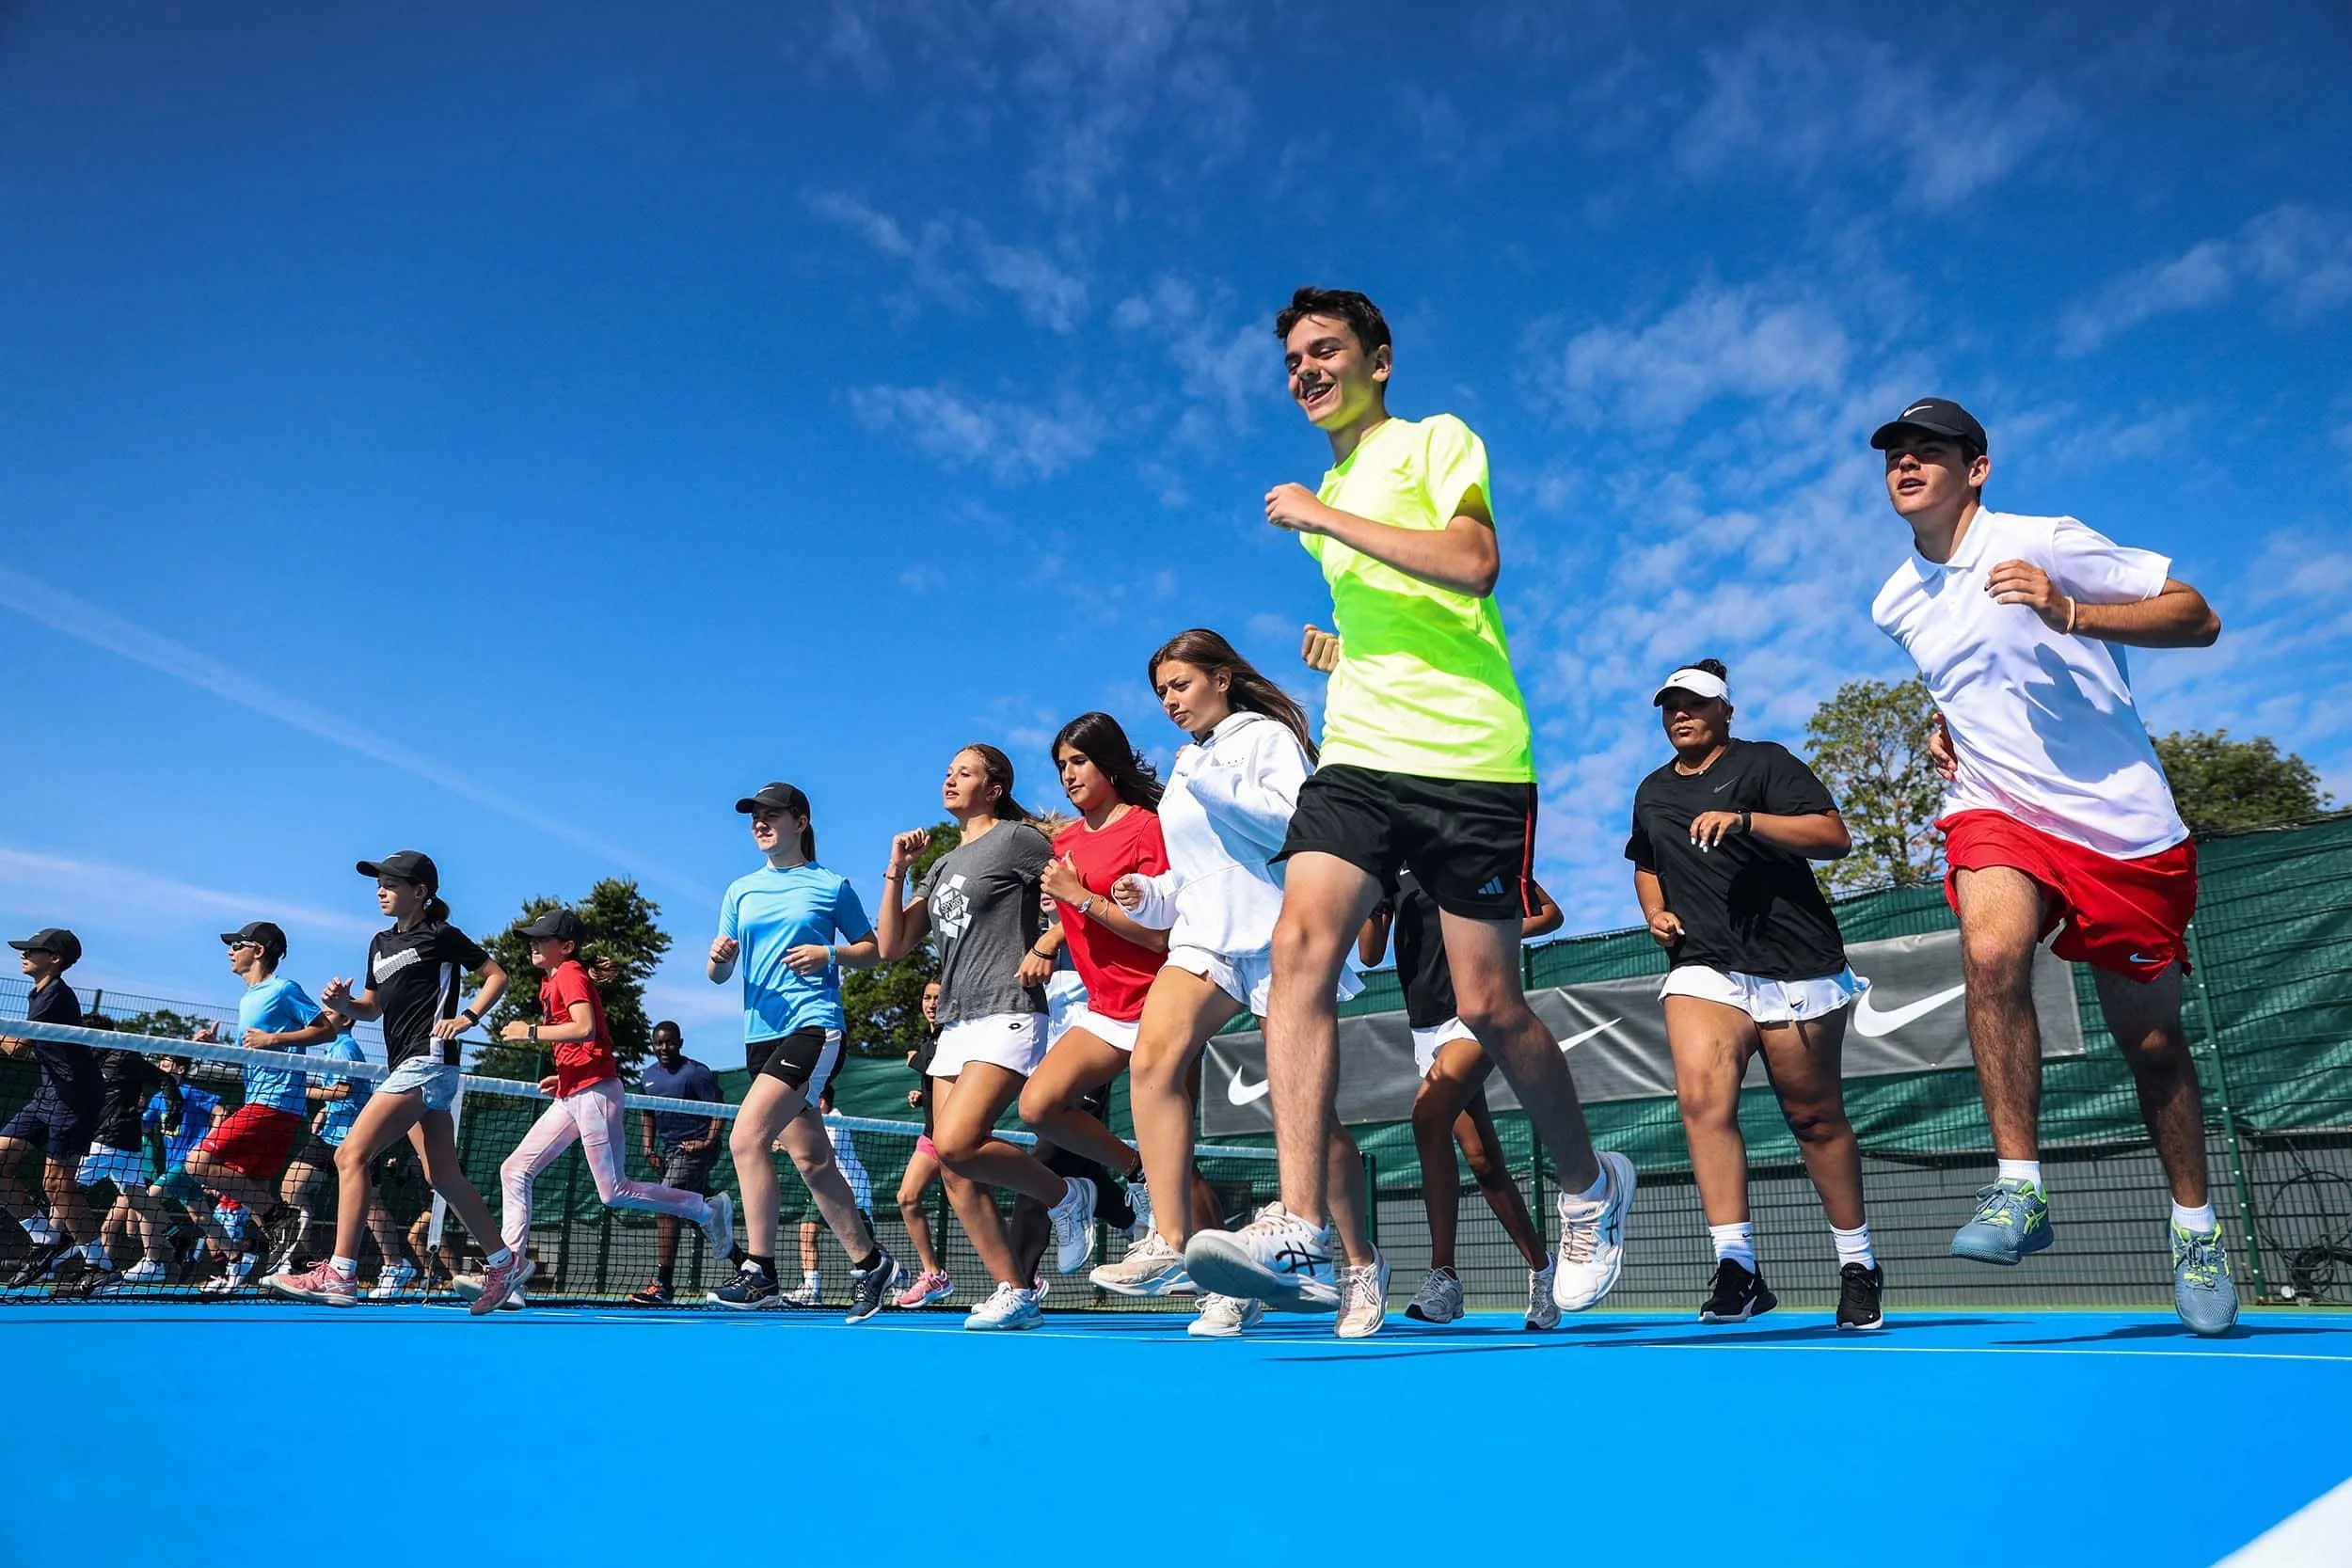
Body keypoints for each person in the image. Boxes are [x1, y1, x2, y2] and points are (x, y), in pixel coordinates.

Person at [1185, 287, 1636, 1338]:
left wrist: (1323, 513)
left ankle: (1586, 1183)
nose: (1304, 369)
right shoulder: (1328, 497)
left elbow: (1473, 567)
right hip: (1360, 755)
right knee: (1300, 940)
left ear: (1377, 360)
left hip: (1474, 759)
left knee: (1490, 1005)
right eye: (1291, 358)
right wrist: (1348, 657)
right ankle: (1299, 1218)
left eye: (1324, 350)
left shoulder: (1433, 442)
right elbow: (1400, 621)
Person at [1867, 397, 2235, 1335]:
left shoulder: (2044, 538)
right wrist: (1944, 721)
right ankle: (2017, 1186)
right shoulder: (1893, 601)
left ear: (1975, 467)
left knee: (2152, 1046)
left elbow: (2197, 616)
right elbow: (1966, 675)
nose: (1906, 465)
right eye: (1893, 456)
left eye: (1928, 452)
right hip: (1996, 808)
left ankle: (2194, 1224)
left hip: (2121, 825)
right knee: (1991, 953)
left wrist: (2069, 609)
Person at [1089, 628, 1368, 1339]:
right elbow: (1191, 867)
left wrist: (1209, 777)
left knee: (1305, 1116)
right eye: (1160, 693)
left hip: (1277, 930)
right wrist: (1148, 894)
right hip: (1206, 937)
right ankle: (1172, 1238)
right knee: (1151, 1062)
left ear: (1221, 678)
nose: (1170, 701)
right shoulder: (1190, 763)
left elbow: (1293, 822)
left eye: (1180, 684)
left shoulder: (1263, 736)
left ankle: (1359, 1261)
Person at [1629, 661, 1884, 1329]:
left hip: (1796, 964)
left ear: (1725, 710)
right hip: (1705, 967)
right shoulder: (1652, 792)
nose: (1680, 713)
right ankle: (1737, 1265)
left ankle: (1858, 1263)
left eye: (1695, 703)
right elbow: (1647, 864)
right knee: (1702, 1098)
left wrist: (1747, 820)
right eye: (1670, 705)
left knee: (1814, 1118)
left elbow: (1834, 836)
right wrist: (1655, 911)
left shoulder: (1766, 763)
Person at [874, 745, 1094, 1333]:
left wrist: (1048, 940)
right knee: (954, 1170)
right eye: (947, 771)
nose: (950, 779)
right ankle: (1015, 1291)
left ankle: (1067, 1196)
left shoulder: (1018, 840)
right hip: (957, 1020)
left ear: (994, 788)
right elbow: (893, 945)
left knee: (957, 1143)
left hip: (1009, 1009)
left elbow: (1077, 879)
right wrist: (896, 866)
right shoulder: (944, 864)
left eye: (964, 772)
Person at [264, 849, 528, 1313]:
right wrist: (345, 1005)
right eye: (378, 883)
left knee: (350, 1154)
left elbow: (496, 976)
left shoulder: (441, 935)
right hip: (409, 1065)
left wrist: (466, 1017)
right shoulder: (379, 944)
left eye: (392, 883)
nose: (381, 890)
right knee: (442, 1174)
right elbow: (371, 1007)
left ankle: (341, 1274)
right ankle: (504, 1263)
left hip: (428, 1060)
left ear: (420, 892)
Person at [703, 783, 898, 1322]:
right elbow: (718, 974)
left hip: (814, 1028)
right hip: (759, 1036)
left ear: (801, 820)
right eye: (754, 817)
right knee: (813, 1161)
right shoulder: (739, 890)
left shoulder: (831, 887)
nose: (759, 824)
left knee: (746, 1139)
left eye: (771, 815)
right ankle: (871, 1263)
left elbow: (873, 949)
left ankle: (760, 1270)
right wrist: (719, 958)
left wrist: (827, 952)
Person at [485, 910, 736, 1307]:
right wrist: (563, 1072)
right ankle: (513, 1267)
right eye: (531, 937)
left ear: (565, 947)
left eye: (542, 938)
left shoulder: (568, 972)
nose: (533, 943)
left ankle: (704, 1209)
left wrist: (529, 1032)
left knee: (613, 1192)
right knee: (515, 1169)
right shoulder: (551, 980)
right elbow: (581, 1040)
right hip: (573, 1091)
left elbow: (584, 1026)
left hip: (596, 1094)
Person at [1360, 872, 1565, 1329]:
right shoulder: (1389, 865)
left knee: (1427, 1115)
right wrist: (1371, 897)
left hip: (1478, 1012)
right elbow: (1369, 954)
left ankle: (1443, 1276)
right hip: (1425, 1027)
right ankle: (1543, 1270)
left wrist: (1488, 939)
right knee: (1482, 1159)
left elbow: (1550, 914)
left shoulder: (1472, 847)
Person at [1014, 713, 1175, 1243]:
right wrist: (1054, 927)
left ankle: (1220, 1279)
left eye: (1079, 761)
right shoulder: (1067, 842)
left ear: (1108, 762)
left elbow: (1156, 936)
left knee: (1173, 1151)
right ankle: (1136, 1173)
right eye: (1062, 765)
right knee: (1038, 1107)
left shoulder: (1147, 827)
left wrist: (1079, 897)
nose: (1068, 775)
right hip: (1105, 1010)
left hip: (1162, 1005)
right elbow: (1074, 912)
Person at [179, 923, 343, 1293]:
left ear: (258, 950)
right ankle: (297, 1260)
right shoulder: (247, 998)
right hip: (262, 1101)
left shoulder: (283, 989)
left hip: (276, 1103)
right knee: (252, 1186)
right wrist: (215, 1049)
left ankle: (278, 1219)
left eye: (236, 944)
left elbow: (325, 1031)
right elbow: (253, 1057)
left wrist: (275, 1038)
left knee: (198, 1164)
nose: (229, 951)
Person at [2, 927, 105, 1288]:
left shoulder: (55, 996)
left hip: (75, 1099)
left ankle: (99, 1263)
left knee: (57, 1185)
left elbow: (15, 1047)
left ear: (55, 960)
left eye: (33, 950)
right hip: (47, 1094)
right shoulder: (39, 994)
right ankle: (45, 1237)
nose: (23, 953)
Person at [628, 1021, 729, 1307]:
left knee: (665, 1205)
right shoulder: (647, 1077)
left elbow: (719, 1108)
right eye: (659, 1043)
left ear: (680, 1043)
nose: (664, 1048)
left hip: (696, 1149)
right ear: (652, 1044)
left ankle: (663, 1285)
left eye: (670, 1042)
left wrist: (707, 1143)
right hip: (670, 1152)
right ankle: (746, 1264)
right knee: (691, 1213)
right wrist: (649, 1149)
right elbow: (646, 1113)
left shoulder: (696, 1073)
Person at [892, 979, 954, 1307]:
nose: (931, 1003)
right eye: (927, 997)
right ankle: (934, 1274)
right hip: (932, 1136)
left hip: (960, 1138)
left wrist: (916, 1059)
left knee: (973, 1209)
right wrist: (923, 1095)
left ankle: (1022, 1275)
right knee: (907, 1197)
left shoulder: (954, 1035)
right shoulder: (928, 1037)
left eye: (938, 998)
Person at [782, 1082, 870, 1307]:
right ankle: (812, 1289)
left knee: (864, 1242)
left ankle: (897, 1275)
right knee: (807, 1232)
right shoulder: (817, 1122)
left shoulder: (834, 1121)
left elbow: (818, 1149)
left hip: (851, 1188)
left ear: (820, 1101)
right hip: (824, 1188)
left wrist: (784, 1144)